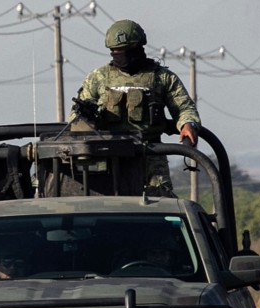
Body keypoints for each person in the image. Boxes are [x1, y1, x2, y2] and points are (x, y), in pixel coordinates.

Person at [69, 19, 201, 197]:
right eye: (114, 51)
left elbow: (184, 107)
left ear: (138, 47)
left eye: (124, 50)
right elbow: (76, 116)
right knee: (105, 203)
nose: (119, 55)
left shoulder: (161, 77)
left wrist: (187, 124)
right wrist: (86, 118)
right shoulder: (98, 77)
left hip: (151, 152)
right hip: (107, 155)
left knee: (159, 201)